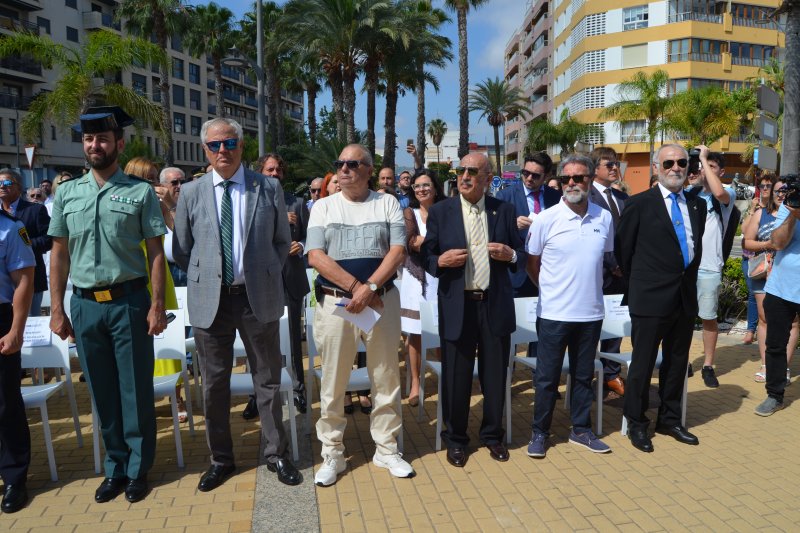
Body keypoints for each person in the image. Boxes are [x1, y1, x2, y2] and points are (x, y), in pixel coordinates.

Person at [172, 118, 301, 488]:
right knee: (213, 385)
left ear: (242, 146)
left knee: (268, 380)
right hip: (209, 302)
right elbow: (182, 249)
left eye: (229, 143)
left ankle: (277, 454)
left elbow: (281, 241)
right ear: (205, 150)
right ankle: (221, 459)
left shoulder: (267, 187)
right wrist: (209, 274)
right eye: (214, 145)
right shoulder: (192, 192)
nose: (222, 151)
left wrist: (263, 273)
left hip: (255, 299)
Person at [48, 106, 168, 503]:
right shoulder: (67, 193)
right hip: (85, 305)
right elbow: (59, 254)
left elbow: (155, 252)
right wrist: (57, 308)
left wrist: (156, 305)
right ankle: (114, 466)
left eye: (101, 139)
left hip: (129, 302)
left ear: (118, 143)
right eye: (87, 139)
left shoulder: (139, 192)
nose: (94, 145)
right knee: (101, 391)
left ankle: (138, 468)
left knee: (134, 388)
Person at [307, 144, 413, 486]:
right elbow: (316, 256)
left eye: (353, 164)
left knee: (385, 376)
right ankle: (333, 453)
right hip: (337, 304)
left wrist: (370, 288)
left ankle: (386, 448)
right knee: (333, 380)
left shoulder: (388, 203)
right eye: (340, 163)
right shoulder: (323, 206)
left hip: (381, 302)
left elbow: (398, 252)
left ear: (368, 170)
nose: (344, 169)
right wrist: (358, 287)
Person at [422, 152, 524, 467]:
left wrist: (511, 255)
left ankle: (492, 435)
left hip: (493, 305)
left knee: (495, 375)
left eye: (472, 171)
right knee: (456, 376)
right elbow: (427, 255)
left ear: (488, 178)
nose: (464, 177)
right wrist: (440, 261)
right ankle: (455, 439)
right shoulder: (441, 212)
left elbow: (520, 254)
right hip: (458, 306)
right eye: (461, 171)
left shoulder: (503, 211)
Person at [616, 144, 706, 453]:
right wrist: (643, 285)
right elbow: (623, 253)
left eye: (682, 162)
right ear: (657, 167)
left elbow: (694, 250)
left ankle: (669, 419)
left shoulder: (697, 206)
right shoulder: (639, 204)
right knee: (641, 365)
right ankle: (637, 424)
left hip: (684, 298)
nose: (676, 167)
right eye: (669, 162)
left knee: (677, 364)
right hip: (650, 299)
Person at [525, 154, 613, 458]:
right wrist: (550, 291)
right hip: (553, 314)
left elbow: (603, 259)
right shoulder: (546, 219)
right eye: (566, 179)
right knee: (547, 379)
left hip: (591, 314)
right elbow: (531, 264)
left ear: (590, 179)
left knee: (582, 375)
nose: (572, 183)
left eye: (578, 177)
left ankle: (580, 429)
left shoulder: (604, 217)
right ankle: (539, 432)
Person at [256, 153, 310, 416]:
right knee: (258, 342)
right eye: (269, 169)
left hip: (291, 279)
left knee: (291, 338)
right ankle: (258, 395)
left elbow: (312, 237)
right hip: (259, 283)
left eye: (278, 169)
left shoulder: (298, 203)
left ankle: (299, 389)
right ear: (261, 172)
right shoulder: (249, 202)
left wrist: (301, 245)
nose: (274, 173)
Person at [685, 147, 737, 388]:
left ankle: (707, 365)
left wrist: (704, 159)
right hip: (687, 267)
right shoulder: (690, 193)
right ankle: (682, 361)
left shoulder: (728, 193)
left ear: (721, 171)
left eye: (711, 166)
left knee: (708, 318)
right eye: (703, 165)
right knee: (682, 317)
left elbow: (717, 190)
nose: (704, 169)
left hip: (709, 267)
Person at [743, 176, 798, 383]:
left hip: (787, 276)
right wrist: (769, 244)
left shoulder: (791, 210)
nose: (781, 194)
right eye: (777, 191)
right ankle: (768, 365)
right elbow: (748, 241)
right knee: (765, 319)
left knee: (792, 323)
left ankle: (782, 367)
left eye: (785, 191)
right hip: (763, 272)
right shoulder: (763, 213)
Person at [753, 175, 800, 416]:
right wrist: (793, 213)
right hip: (782, 287)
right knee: (775, 345)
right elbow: (779, 243)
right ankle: (775, 395)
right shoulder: (789, 206)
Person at [0, 208, 35, 513]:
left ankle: (14, 477)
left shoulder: (10, 227)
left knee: (5, 401)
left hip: (1, 320)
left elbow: (24, 280)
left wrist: (15, 329)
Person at [399, 169, 444, 406]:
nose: (421, 189)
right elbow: (410, 242)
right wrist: (440, 245)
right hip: (415, 279)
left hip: (442, 277)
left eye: (426, 184)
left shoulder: (446, 209)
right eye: (417, 186)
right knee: (414, 333)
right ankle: (416, 382)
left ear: (435, 187)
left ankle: (446, 377)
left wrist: (425, 243)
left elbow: (420, 242)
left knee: (442, 330)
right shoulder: (410, 212)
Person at [588, 148, 627, 397]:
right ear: (595, 168)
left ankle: (611, 374)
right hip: (596, 274)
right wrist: (612, 263)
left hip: (622, 277)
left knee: (614, 326)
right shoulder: (586, 196)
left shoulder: (623, 199)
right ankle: (587, 374)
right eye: (609, 164)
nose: (615, 168)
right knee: (591, 329)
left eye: (617, 164)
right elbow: (592, 237)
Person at [495, 152, 561, 298]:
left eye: (536, 175)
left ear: (546, 176)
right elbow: (493, 234)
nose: (529, 178)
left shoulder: (556, 198)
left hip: (550, 272)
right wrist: (511, 226)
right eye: (526, 173)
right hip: (518, 275)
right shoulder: (505, 197)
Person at [0, 169, 51, 317]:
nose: (2, 186)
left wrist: (22, 245)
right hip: (3, 284)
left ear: (19, 187)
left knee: (28, 326)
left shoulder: (35, 210)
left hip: (30, 279)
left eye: (7, 182)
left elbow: (48, 240)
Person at [156, 167, 186, 286]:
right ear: (162, 186)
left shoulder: (191, 204)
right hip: (165, 270)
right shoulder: (155, 206)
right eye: (174, 182)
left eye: (183, 182)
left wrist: (171, 205)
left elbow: (183, 233)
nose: (179, 186)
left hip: (186, 268)